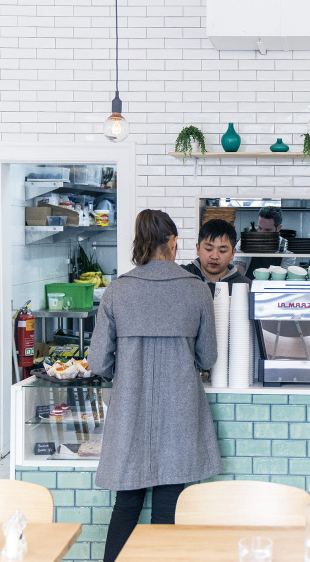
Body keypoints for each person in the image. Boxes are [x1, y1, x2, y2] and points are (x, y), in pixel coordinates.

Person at [88, 209, 222, 562]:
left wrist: (128, 366)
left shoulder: (117, 291)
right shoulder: (197, 291)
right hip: (179, 411)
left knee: (126, 506)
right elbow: (208, 357)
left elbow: (99, 362)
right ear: (174, 242)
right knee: (167, 510)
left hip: (131, 409)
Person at [181, 218, 250, 296]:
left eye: (222, 251)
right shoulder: (181, 277)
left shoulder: (245, 286)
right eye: (208, 249)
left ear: (232, 253)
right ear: (198, 249)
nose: (214, 256)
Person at [233, 205, 297, 279]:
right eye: (260, 228)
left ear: (278, 228)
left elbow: (284, 280)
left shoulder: (286, 249)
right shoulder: (245, 243)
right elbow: (238, 274)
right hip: (248, 288)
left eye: (268, 230)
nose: (262, 233)